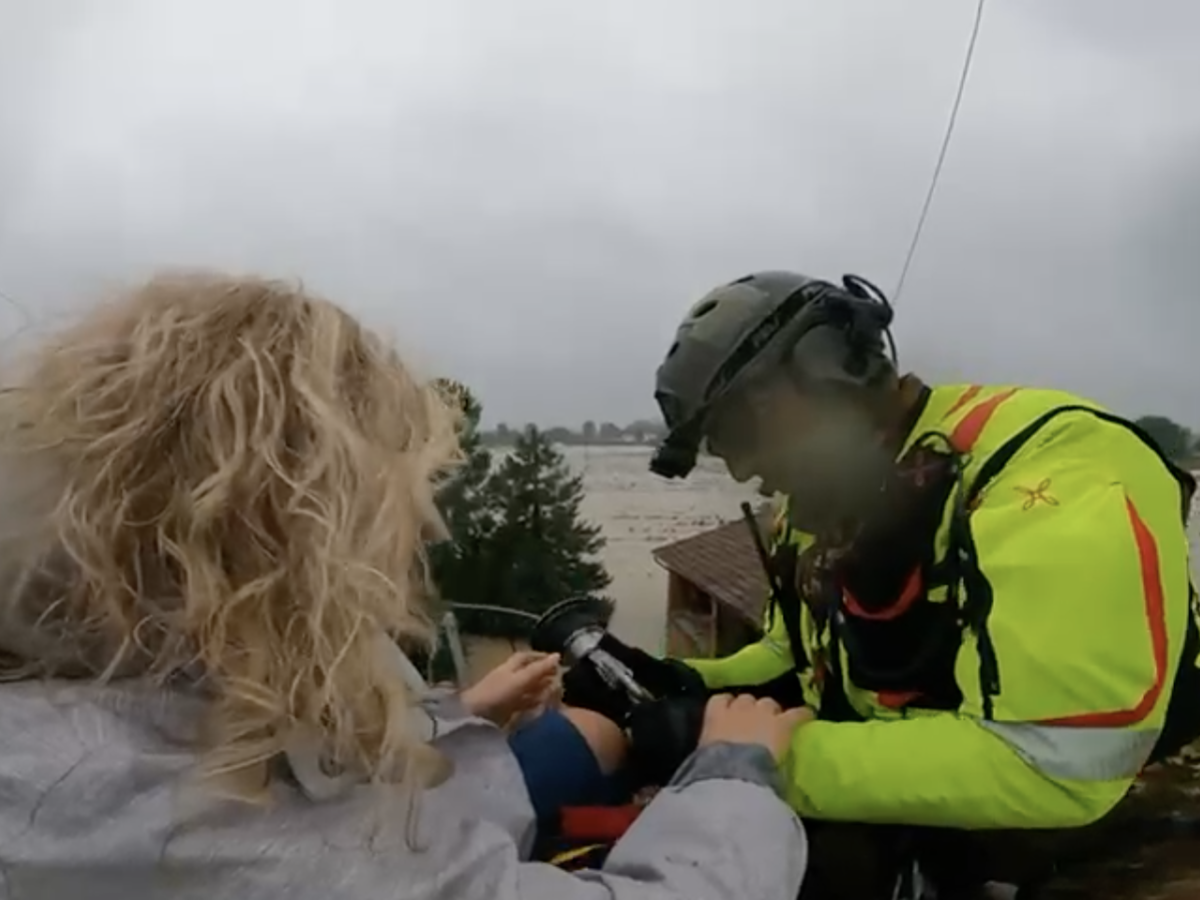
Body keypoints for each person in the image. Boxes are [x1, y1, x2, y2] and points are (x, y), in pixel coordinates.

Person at [0, 272, 810, 900]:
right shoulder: (181, 834)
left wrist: (458, 716)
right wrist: (732, 776)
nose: (430, 533)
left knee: (592, 735)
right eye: (390, 499)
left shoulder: (100, 667)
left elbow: (275, 764)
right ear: (279, 526)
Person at [604, 270, 1200, 897]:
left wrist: (731, 760)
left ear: (833, 371)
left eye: (742, 434)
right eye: (722, 450)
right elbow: (792, 659)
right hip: (935, 810)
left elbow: (1053, 761)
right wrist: (678, 685)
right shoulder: (812, 510)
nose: (746, 470)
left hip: (1140, 813)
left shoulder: (1058, 463)